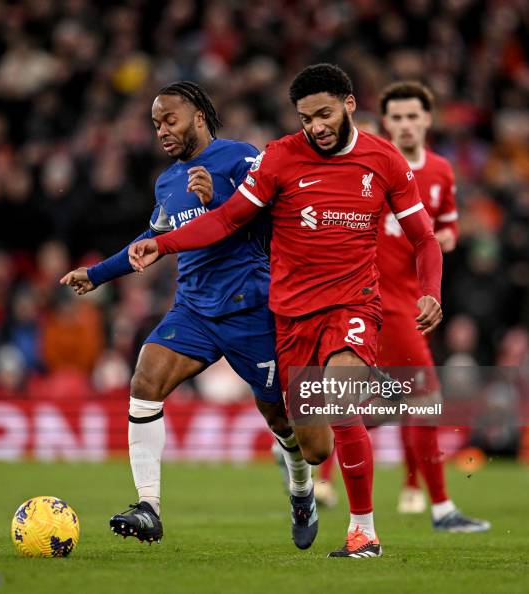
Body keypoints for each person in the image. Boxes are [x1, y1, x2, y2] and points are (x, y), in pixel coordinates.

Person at [129, 64, 444, 558]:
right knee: (316, 447)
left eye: (324, 114)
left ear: (349, 104)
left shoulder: (384, 160)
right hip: (292, 316)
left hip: (353, 303)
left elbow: (424, 237)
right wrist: (163, 244)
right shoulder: (278, 157)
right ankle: (373, 403)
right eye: (305, 117)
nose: (315, 126)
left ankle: (363, 533)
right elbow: (229, 220)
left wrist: (431, 291)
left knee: (339, 400)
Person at [60, 82, 317, 549]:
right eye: (156, 123)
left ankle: (301, 490)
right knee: (144, 382)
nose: (162, 130)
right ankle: (148, 507)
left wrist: (219, 196)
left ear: (198, 116)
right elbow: (154, 238)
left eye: (170, 120)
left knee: (279, 417)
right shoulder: (168, 181)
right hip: (194, 309)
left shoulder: (241, 158)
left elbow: (276, 220)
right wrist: (97, 275)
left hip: (252, 310)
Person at [377, 81, 490, 532]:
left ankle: (303, 444)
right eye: (397, 117)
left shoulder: (441, 171)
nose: (405, 125)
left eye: (413, 116)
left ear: (427, 119)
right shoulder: (374, 167)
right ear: (386, 123)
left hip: (415, 300)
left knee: (394, 402)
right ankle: (442, 509)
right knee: (424, 398)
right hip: (378, 300)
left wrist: (441, 240)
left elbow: (449, 228)